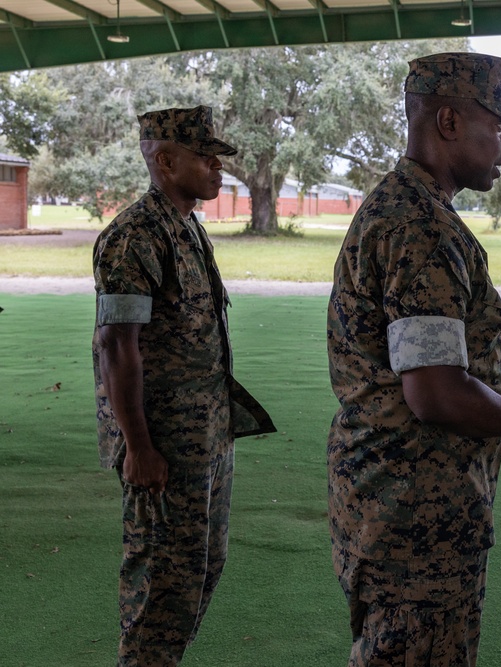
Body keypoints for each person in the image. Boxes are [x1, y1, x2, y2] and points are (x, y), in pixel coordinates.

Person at [327, 52, 501, 666]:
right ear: (447, 121)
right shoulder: (420, 228)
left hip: (398, 501)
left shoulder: (410, 211)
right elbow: (435, 393)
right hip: (416, 513)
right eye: (498, 125)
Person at [93, 105, 275, 666]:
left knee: (197, 574)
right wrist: (140, 448)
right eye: (206, 156)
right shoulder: (134, 237)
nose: (219, 167)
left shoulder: (186, 228)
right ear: (166, 161)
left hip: (205, 439)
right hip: (163, 448)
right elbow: (116, 345)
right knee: (160, 592)